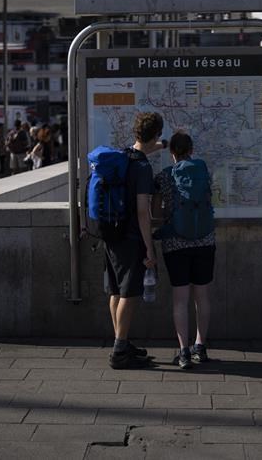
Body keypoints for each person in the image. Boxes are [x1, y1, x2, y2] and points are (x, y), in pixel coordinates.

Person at [104, 111, 164, 370]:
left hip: (111, 234)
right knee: (130, 292)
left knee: (117, 290)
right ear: (157, 134)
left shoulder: (123, 156)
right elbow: (143, 212)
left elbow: (144, 149)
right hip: (130, 238)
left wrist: (164, 145)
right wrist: (149, 248)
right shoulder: (142, 168)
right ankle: (119, 350)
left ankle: (122, 341)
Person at [152, 132, 215, 370]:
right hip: (205, 241)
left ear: (172, 153)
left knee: (180, 299)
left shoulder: (165, 177)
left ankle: (184, 352)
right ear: (191, 149)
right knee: (202, 296)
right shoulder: (203, 170)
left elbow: (155, 213)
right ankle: (201, 346)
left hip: (176, 244)